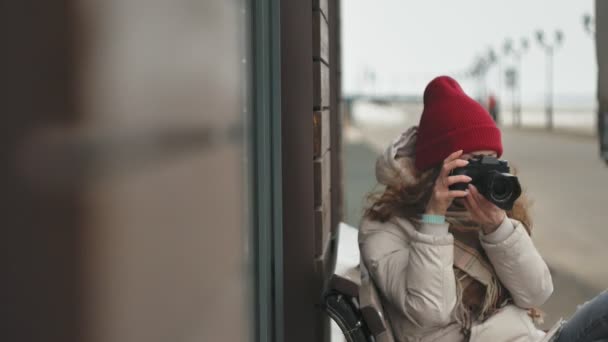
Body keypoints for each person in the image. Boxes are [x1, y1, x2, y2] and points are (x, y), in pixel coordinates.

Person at [359, 76, 608, 342]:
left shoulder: (483, 213)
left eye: (491, 160)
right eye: (473, 163)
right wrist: (434, 218)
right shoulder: (387, 226)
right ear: (437, 168)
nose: (484, 173)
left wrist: (498, 228)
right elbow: (430, 311)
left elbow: (536, 293)